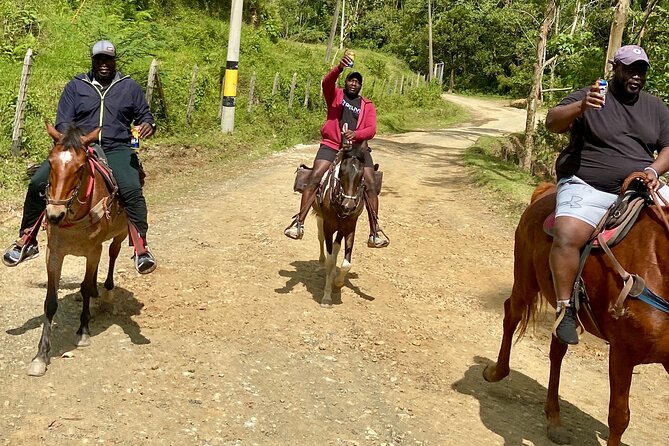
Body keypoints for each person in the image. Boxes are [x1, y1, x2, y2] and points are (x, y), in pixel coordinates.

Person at [545, 44, 669, 344]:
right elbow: (552, 122)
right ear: (615, 67)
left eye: (641, 70)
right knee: (567, 233)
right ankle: (565, 309)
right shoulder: (593, 94)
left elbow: (667, 147)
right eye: (629, 69)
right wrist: (582, 107)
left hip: (641, 185)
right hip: (589, 184)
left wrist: (653, 171)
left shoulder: (655, 106)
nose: (636, 76)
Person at [2, 40, 158, 274]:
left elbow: (145, 115)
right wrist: (74, 143)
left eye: (108, 59)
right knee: (38, 182)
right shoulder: (76, 86)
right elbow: (63, 121)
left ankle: (140, 247)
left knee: (131, 188)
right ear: (93, 61)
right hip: (79, 148)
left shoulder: (130, 87)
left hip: (117, 147)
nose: (104, 64)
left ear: (115, 61)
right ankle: (27, 239)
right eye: (99, 60)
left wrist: (148, 125)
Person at [284, 53, 390, 248]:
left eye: (358, 82)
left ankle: (374, 231)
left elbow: (372, 129)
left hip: (358, 150)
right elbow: (326, 82)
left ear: (360, 86)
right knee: (315, 177)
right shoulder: (335, 95)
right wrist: (340, 67)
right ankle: (299, 223)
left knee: (370, 184)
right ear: (346, 82)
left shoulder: (367, 105)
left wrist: (355, 135)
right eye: (351, 80)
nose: (354, 83)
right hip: (332, 145)